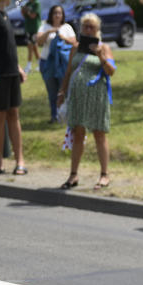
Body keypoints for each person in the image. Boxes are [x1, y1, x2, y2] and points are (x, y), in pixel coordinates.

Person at [57, 13, 115, 191]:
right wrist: (62, 91)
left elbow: (111, 71)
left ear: (98, 30)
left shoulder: (104, 47)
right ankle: (73, 174)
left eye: (92, 27)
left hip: (97, 96)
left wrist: (101, 56)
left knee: (99, 133)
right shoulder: (75, 47)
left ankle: (104, 175)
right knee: (78, 133)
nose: (88, 30)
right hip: (78, 97)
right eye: (85, 27)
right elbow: (68, 71)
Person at [0, 0, 27, 176]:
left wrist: (18, 67)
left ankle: (19, 160)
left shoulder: (3, 15)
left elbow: (7, 48)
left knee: (14, 115)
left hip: (12, 72)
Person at [35, 4, 76, 123]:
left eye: (60, 13)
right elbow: (39, 41)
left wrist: (63, 37)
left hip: (63, 62)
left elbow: (74, 43)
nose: (57, 15)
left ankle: (65, 115)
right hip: (48, 63)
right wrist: (49, 32)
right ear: (51, 15)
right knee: (52, 91)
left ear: (63, 15)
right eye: (55, 13)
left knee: (63, 89)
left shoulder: (67, 27)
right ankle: (54, 116)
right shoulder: (45, 26)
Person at [21, 0, 40, 73]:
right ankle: (39, 64)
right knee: (33, 47)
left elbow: (33, 15)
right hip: (28, 28)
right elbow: (24, 16)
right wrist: (23, 10)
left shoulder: (36, 3)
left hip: (34, 28)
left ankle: (29, 66)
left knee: (32, 46)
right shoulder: (28, 3)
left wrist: (27, 11)